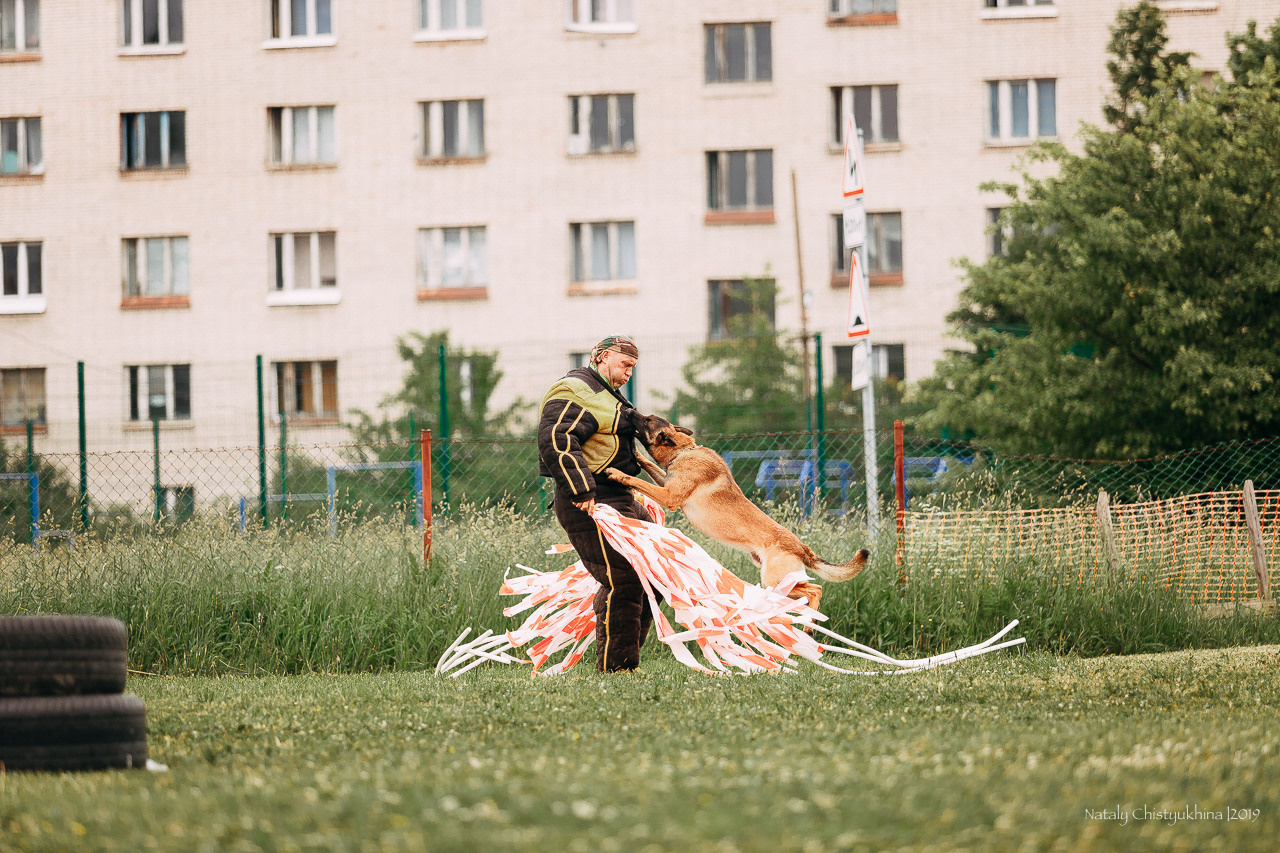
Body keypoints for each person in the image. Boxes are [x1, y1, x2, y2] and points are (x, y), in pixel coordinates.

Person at [537, 334, 658, 672]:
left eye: (633, 367)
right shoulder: (575, 389)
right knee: (624, 577)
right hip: (591, 502)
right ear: (603, 357)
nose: (629, 372)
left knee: (656, 573)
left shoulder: (607, 395)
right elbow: (556, 438)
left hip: (621, 499)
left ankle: (625, 658)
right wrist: (581, 491)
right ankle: (616, 668)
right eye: (625, 364)